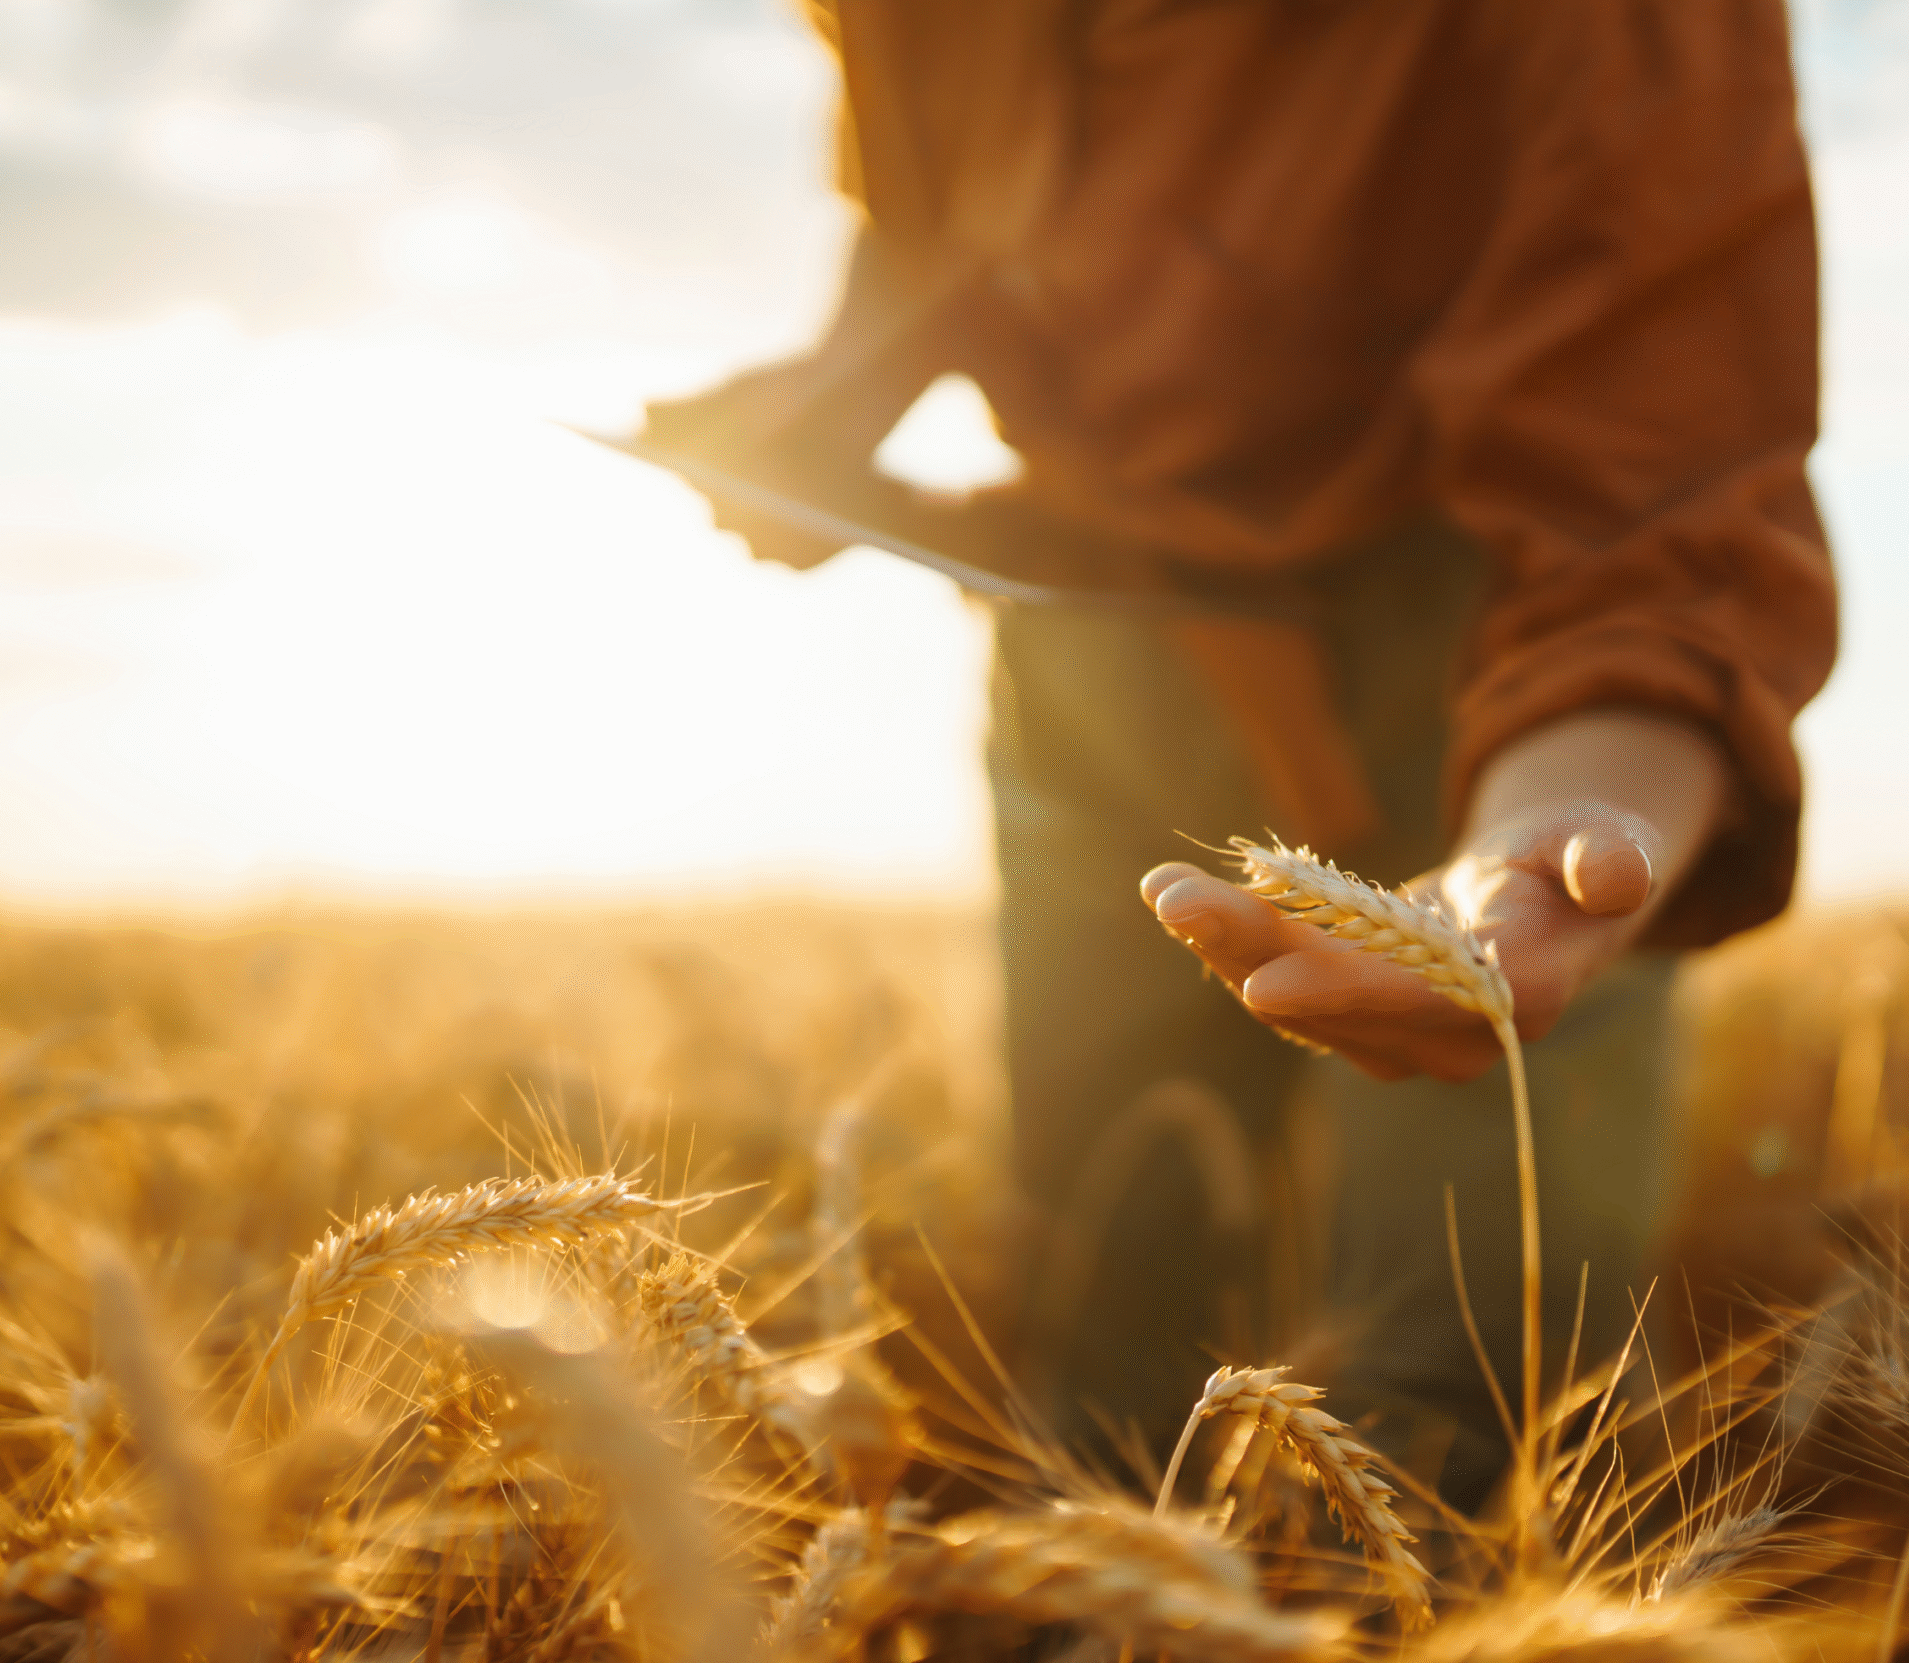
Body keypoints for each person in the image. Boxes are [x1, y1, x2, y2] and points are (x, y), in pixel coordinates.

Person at [641, 0, 1837, 1509]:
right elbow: (933, 211)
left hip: (1486, 663)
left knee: (1464, 1384)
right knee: (1102, 1297)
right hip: (1087, 632)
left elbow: (1663, 508)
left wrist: (1561, 830)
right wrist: (828, 407)